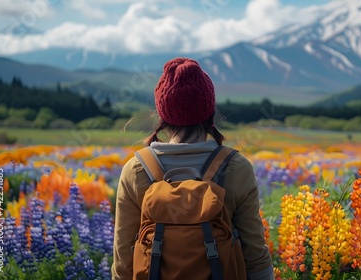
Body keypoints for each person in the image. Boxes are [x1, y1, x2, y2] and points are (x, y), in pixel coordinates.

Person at [112, 57, 274, 280]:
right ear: (209, 112)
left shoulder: (136, 169)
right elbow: (255, 255)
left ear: (163, 113)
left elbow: (123, 261)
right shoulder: (236, 167)